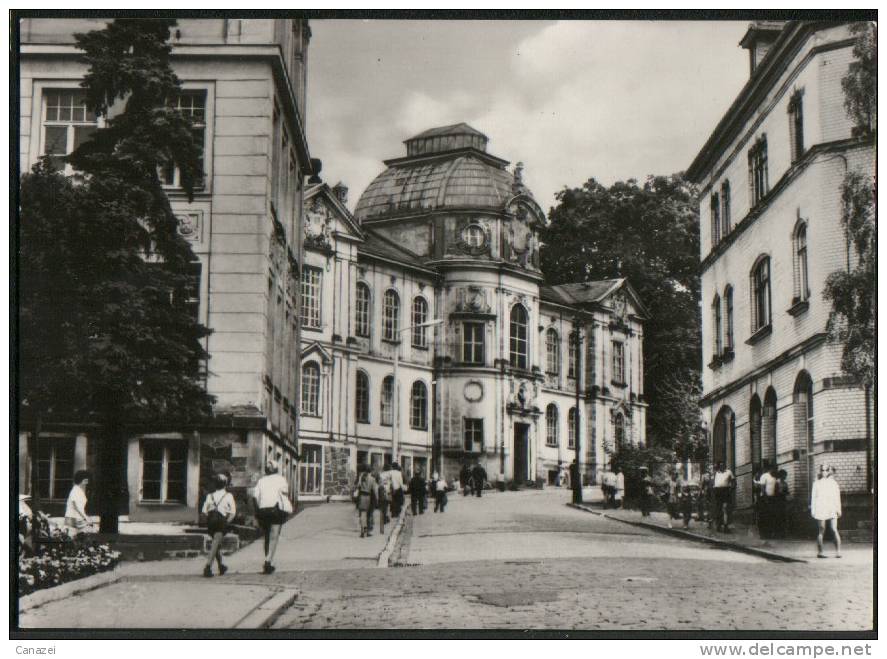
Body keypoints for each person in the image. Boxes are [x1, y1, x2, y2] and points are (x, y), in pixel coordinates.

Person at [253, 460, 290, 574]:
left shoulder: (261, 481)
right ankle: (268, 562)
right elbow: (285, 492)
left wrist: (257, 512)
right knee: (274, 536)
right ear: (276, 469)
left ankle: (268, 560)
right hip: (275, 510)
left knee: (267, 537)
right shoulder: (281, 479)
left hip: (263, 511)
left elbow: (254, 497)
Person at [202, 473, 236, 577]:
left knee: (215, 544)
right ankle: (208, 567)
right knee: (215, 543)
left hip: (211, 521)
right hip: (221, 520)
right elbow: (233, 512)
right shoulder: (228, 496)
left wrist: (210, 517)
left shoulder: (210, 496)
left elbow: (204, 511)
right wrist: (227, 522)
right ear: (225, 484)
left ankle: (221, 565)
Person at [811, 465, 842, 558]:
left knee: (834, 529)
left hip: (831, 507)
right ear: (820, 471)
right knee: (821, 530)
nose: (824, 472)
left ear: (829, 471)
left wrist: (838, 509)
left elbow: (837, 497)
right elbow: (813, 498)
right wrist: (813, 510)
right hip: (821, 508)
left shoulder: (833, 483)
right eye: (822, 470)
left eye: (826, 470)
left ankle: (838, 552)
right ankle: (820, 552)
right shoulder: (816, 483)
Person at [65, 470, 93, 538]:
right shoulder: (75, 491)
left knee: (79, 540)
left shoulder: (79, 490)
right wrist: (86, 518)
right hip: (73, 518)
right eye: (86, 478)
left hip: (77, 518)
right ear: (83, 479)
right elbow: (76, 507)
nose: (88, 481)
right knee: (74, 539)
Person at [754, 466, 779, 539]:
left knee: (771, 516)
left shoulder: (775, 477)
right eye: (774, 469)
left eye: (776, 469)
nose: (774, 471)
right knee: (763, 516)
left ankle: (770, 533)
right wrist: (765, 499)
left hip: (772, 499)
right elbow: (762, 488)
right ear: (770, 469)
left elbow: (776, 488)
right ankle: (763, 534)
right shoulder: (765, 476)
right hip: (764, 499)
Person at [355, 464, 378, 538]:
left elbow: (357, 486)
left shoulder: (361, 477)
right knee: (369, 515)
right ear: (370, 471)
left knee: (362, 515)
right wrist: (377, 499)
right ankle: (367, 531)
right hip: (368, 497)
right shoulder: (372, 479)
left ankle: (362, 531)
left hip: (361, 497)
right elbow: (374, 490)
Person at [712, 462, 735, 532]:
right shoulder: (716, 473)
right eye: (720, 465)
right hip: (717, 491)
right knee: (718, 508)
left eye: (723, 465)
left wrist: (731, 489)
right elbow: (713, 482)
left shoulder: (729, 472)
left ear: (725, 466)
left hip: (725, 491)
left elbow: (734, 482)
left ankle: (725, 526)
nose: (722, 467)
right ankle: (718, 525)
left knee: (725, 508)